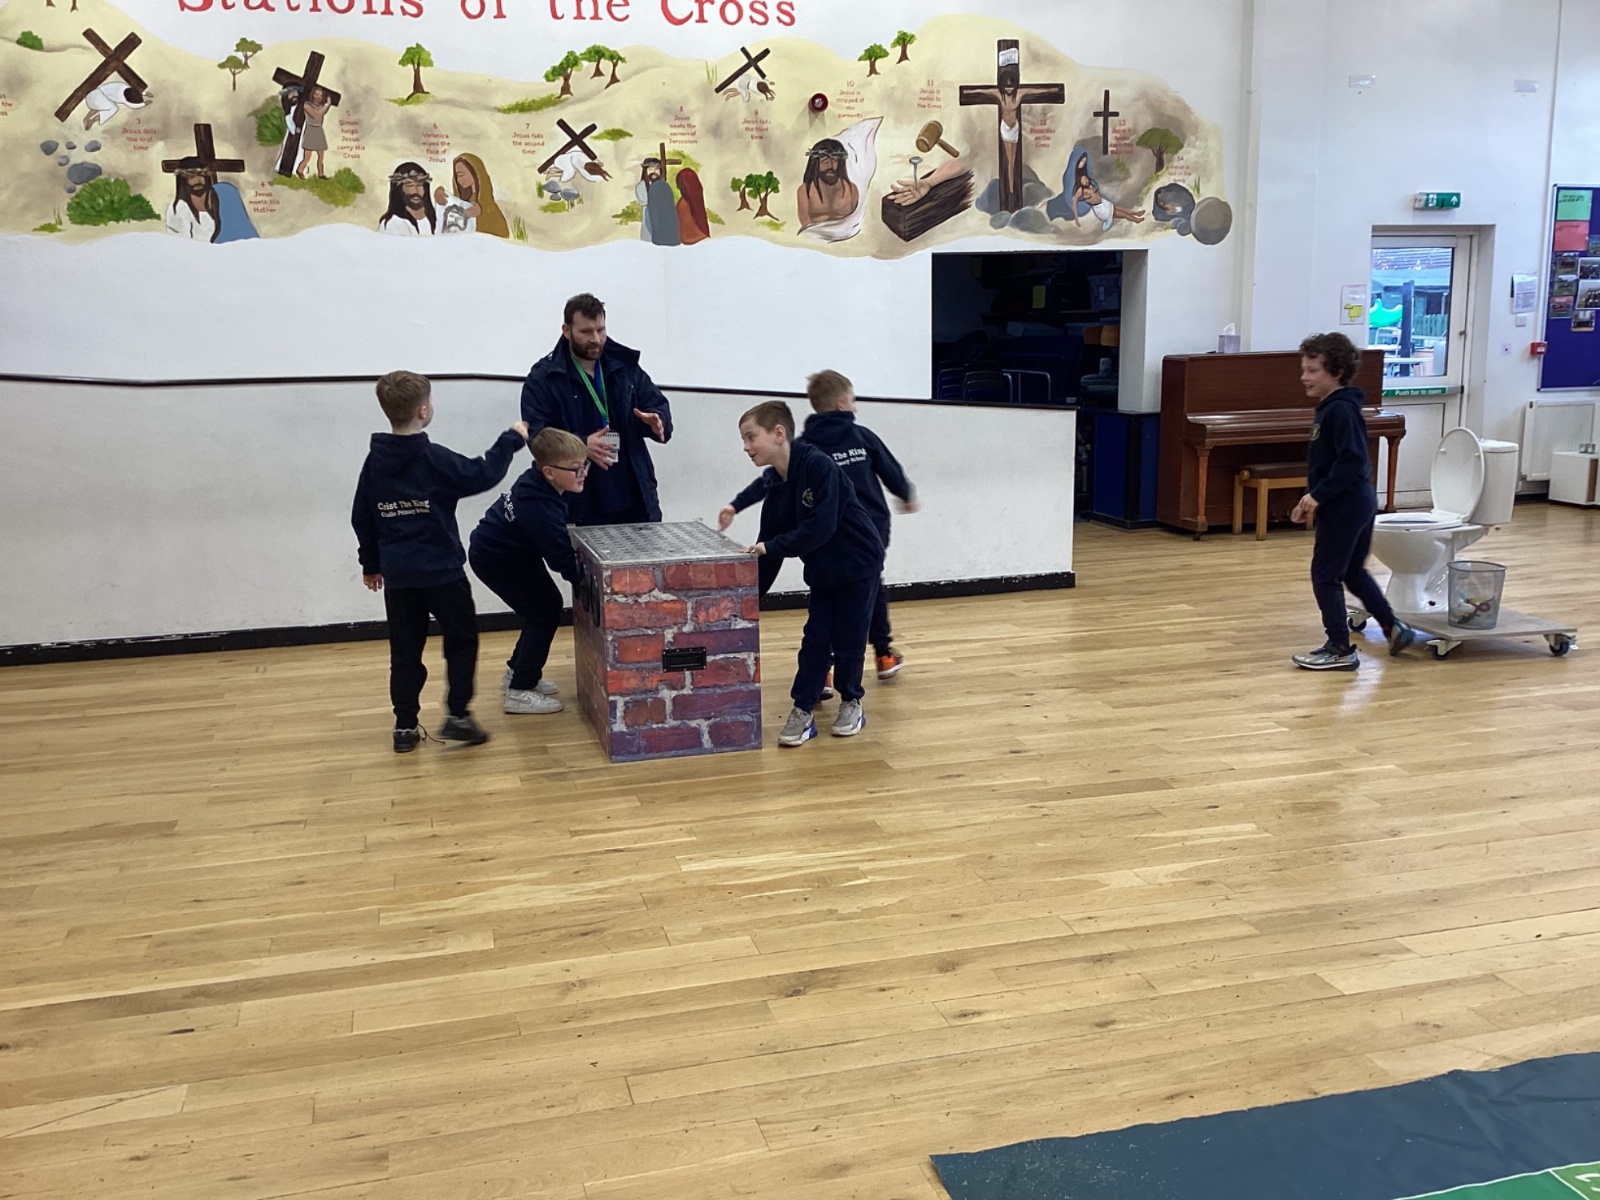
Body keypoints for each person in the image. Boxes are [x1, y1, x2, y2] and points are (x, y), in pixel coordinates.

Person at [352, 370, 527, 750]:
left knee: (405, 651)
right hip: (443, 573)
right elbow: (481, 473)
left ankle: (404, 727)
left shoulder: (375, 461)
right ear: (423, 410)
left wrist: (371, 564)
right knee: (461, 640)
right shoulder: (432, 458)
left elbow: (362, 515)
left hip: (400, 577)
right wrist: (512, 439)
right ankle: (458, 715)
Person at [720, 370, 917, 680]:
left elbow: (769, 481)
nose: (855, 406)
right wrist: (906, 494)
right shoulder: (856, 438)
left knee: (841, 593)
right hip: (863, 529)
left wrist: (736, 504)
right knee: (863, 590)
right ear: (841, 403)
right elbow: (890, 469)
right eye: (853, 400)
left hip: (841, 534)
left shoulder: (806, 445)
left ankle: (826, 668)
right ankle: (880, 654)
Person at [738, 401, 885, 747]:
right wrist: (748, 601)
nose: (745, 447)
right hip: (823, 571)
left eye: (750, 437)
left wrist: (772, 546)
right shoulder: (775, 489)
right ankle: (802, 709)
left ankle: (852, 701)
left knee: (849, 639)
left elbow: (821, 527)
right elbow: (768, 549)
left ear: (778, 433)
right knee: (816, 639)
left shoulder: (819, 466)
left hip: (859, 564)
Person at [1289, 332, 1416, 670]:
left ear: (1338, 371)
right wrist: (1313, 497)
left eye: (1313, 370)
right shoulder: (1335, 407)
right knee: (1351, 571)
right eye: (1303, 369)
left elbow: (1352, 460)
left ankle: (1340, 648)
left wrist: (1318, 494)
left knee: (1325, 574)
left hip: (1346, 504)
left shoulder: (1340, 411)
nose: (1304, 377)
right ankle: (1392, 626)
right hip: (1357, 500)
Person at [519, 293, 673, 527]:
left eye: (601, 330)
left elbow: (657, 405)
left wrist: (657, 421)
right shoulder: (544, 378)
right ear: (567, 330)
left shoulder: (626, 367)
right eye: (586, 332)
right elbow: (537, 436)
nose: (596, 339)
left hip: (635, 497)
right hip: (580, 501)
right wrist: (581, 445)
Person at [468, 427, 588, 716]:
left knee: (543, 608)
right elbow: (561, 558)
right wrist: (587, 585)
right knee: (544, 611)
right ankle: (520, 691)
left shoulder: (540, 484)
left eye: (585, 465)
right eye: (575, 468)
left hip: (512, 553)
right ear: (549, 472)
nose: (583, 473)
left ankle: (517, 672)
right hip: (496, 558)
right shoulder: (539, 506)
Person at [435, 154, 509, 237]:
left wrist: (482, 214)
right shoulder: (465, 200)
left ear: (475, 172)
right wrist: (439, 192)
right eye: (456, 177)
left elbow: (502, 234)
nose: (458, 180)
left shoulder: (490, 208)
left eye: (461, 175)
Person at [797, 138, 857, 229]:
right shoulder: (805, 191)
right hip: (816, 235)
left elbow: (855, 221)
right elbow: (805, 223)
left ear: (840, 163)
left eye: (834, 161)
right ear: (816, 164)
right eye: (825, 161)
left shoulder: (851, 189)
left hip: (844, 235)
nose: (830, 166)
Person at [164, 162, 219, 242]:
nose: (198, 179)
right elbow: (182, 242)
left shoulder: (214, 201)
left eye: (201, 174)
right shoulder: (179, 207)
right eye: (192, 176)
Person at [380, 163, 437, 235]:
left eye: (419, 185)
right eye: (410, 185)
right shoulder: (393, 222)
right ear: (399, 189)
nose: (416, 191)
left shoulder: (433, 218)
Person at [295, 85, 332, 179]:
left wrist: (326, 105)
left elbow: (322, 112)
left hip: (319, 131)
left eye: (321, 95)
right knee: (307, 157)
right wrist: (327, 105)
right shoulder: (307, 105)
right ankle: (300, 170)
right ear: (312, 95)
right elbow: (316, 115)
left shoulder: (321, 106)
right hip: (311, 131)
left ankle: (321, 174)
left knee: (321, 156)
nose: (318, 97)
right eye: (316, 94)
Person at [675, 168, 711, 244]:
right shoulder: (695, 201)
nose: (677, 187)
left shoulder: (683, 204)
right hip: (701, 238)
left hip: (690, 240)